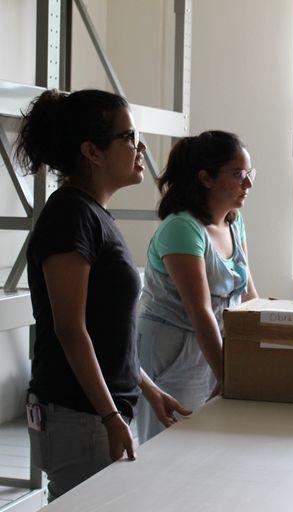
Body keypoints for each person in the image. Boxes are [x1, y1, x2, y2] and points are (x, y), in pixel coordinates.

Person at [16, 89, 191, 502]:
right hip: (80, 414)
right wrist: (109, 415)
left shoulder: (92, 214)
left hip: (98, 411)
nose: (139, 147)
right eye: (128, 137)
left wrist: (146, 388)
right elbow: (70, 329)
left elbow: (107, 329)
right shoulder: (70, 217)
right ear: (92, 152)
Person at [136, 130, 258, 443]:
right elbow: (199, 310)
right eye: (238, 174)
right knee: (173, 443)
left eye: (249, 173)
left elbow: (248, 293)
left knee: (213, 442)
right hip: (174, 349)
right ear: (206, 178)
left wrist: (255, 353)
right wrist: (228, 376)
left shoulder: (233, 220)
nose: (248, 184)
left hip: (213, 344)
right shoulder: (182, 228)